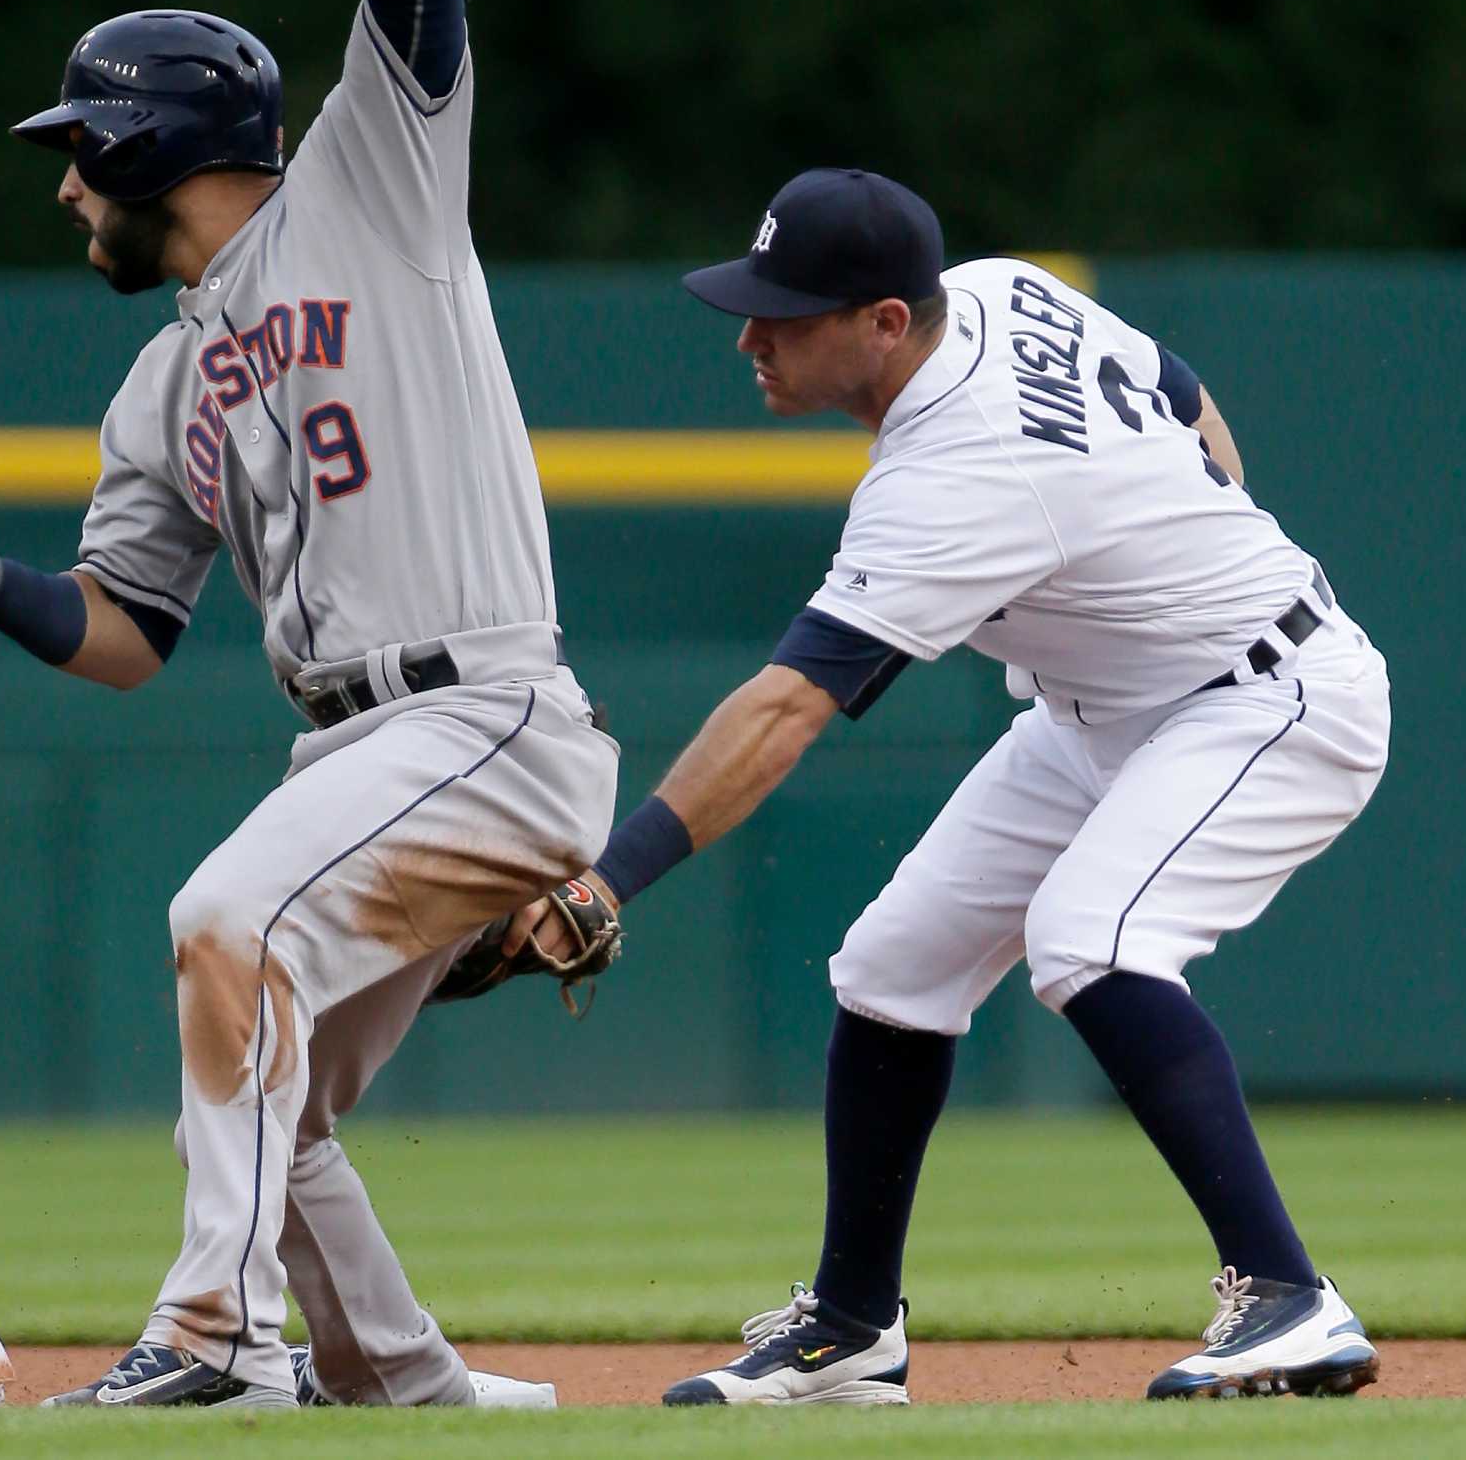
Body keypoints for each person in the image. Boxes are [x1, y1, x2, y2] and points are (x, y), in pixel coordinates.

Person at [0, 0, 617, 1411]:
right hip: (357, 753)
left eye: (75, 156)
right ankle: (401, 1378)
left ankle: (215, 1341)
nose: (64, 194)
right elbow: (125, 638)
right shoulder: (160, 383)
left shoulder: (368, 195)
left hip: (488, 713)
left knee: (223, 922)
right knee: (274, 1098)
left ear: (145, 147)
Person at [551, 167, 1390, 1405]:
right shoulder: (996, 287)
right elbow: (1184, 395)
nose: (748, 334)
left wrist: (605, 880)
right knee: (891, 968)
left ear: (885, 322)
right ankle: (849, 1329)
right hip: (1103, 703)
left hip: (1266, 695)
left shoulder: (953, 472)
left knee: (1089, 938)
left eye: (784, 310)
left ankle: (1288, 1297)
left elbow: (783, 711)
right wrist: (1186, 534)